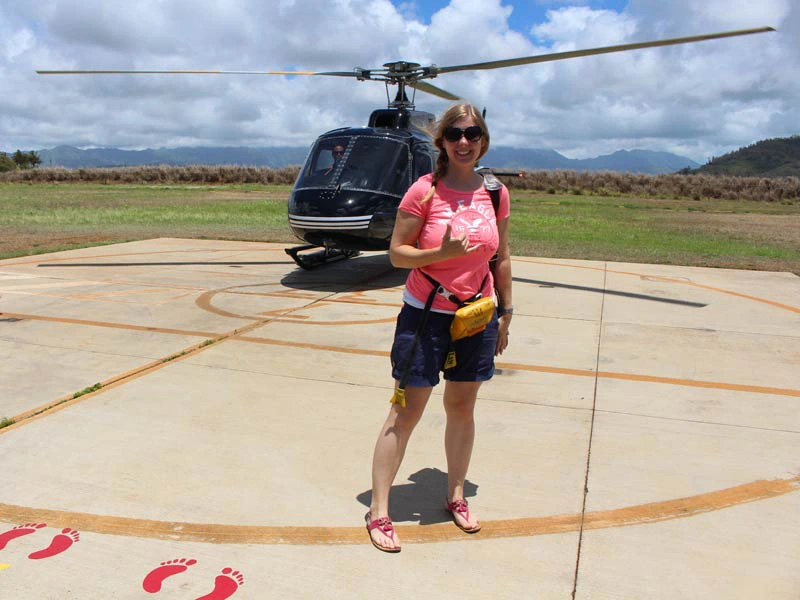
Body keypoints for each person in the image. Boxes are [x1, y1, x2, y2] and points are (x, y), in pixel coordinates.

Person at [365, 103, 513, 553]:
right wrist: (441, 254)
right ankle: (379, 510)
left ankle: (455, 495)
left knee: (463, 406)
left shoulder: (495, 193)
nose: (463, 142)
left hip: (477, 314)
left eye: (472, 134)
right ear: (442, 142)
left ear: (482, 139)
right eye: (454, 135)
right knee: (407, 411)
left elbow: (501, 256)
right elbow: (397, 254)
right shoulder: (424, 192)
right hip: (426, 313)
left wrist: (506, 311)